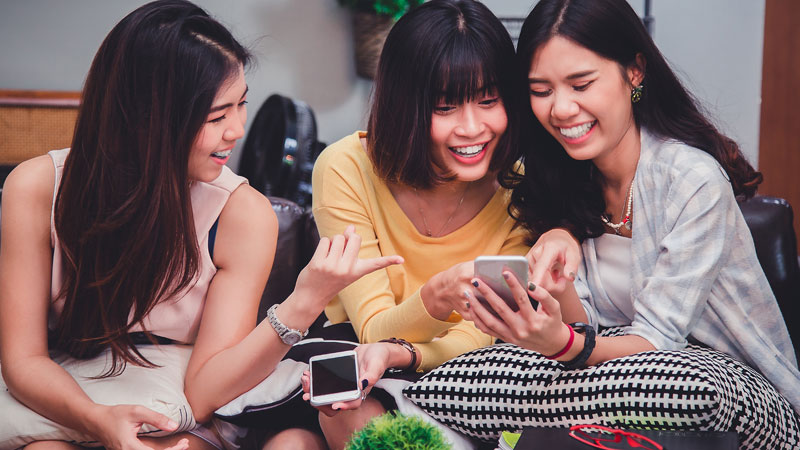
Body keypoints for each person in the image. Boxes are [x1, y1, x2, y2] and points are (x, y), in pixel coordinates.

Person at [0, 2, 401, 449]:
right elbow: (24, 360)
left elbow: (204, 392)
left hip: (181, 409)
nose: (238, 129)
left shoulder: (241, 212)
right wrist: (96, 420)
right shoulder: (37, 188)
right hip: (66, 394)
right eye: (217, 117)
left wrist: (304, 302)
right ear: (148, 119)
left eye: (241, 105)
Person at [402, 0, 800, 448]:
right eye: (541, 90)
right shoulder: (569, 176)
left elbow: (657, 342)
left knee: (679, 383)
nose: (562, 109)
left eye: (581, 83)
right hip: (617, 387)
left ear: (634, 72)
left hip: (726, 388)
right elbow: (588, 325)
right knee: (470, 370)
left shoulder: (691, 178)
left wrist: (563, 347)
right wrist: (557, 282)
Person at [305, 0, 531, 448]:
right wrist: (437, 297)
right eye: (445, 107)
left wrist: (408, 353)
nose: (473, 128)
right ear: (404, 107)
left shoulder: (521, 187)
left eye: (489, 101)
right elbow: (371, 330)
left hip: (467, 376)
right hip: (360, 359)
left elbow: (485, 333)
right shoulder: (346, 168)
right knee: (339, 410)